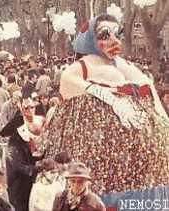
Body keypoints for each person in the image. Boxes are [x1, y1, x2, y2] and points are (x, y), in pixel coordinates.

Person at [42, 13, 169, 210]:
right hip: (99, 153)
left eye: (116, 34)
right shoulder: (83, 65)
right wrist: (109, 98)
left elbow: (146, 82)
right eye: (105, 35)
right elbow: (68, 82)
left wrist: (160, 114)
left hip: (145, 170)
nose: (114, 40)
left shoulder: (119, 64)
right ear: (91, 39)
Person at [0, 98, 45, 211]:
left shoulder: (30, 139)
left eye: (32, 107)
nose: (30, 110)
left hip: (29, 181)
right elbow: (18, 166)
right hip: (18, 183)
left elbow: (34, 155)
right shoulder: (14, 143)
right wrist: (36, 168)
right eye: (26, 108)